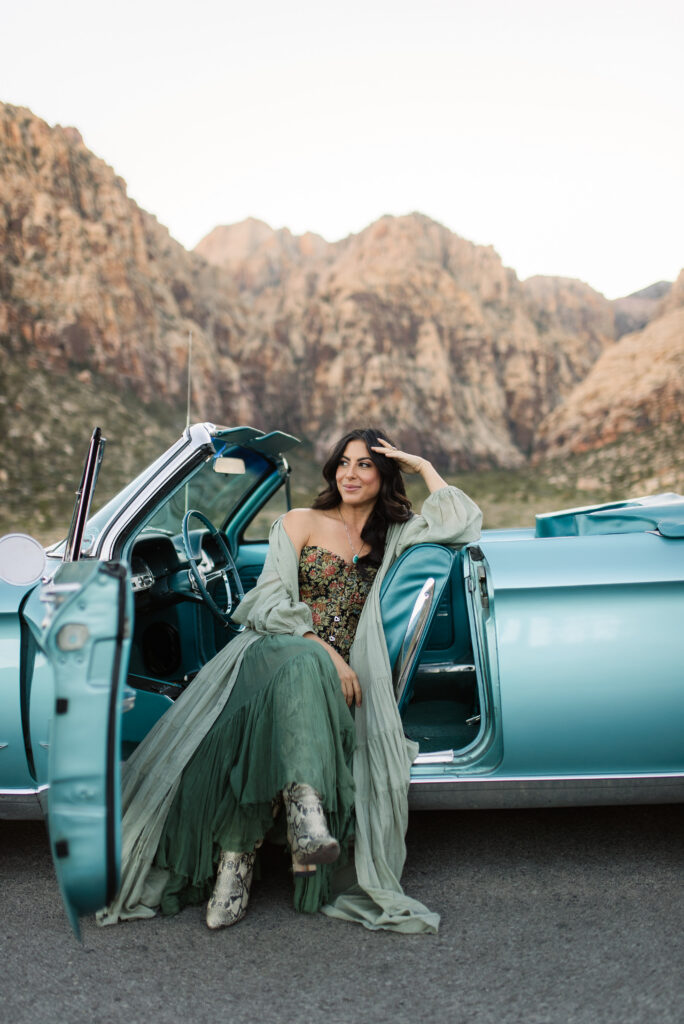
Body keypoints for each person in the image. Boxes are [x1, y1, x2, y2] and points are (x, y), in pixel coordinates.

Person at [98, 428, 482, 934]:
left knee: (284, 702)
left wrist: (423, 466)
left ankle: (236, 864)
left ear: (385, 473)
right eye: (343, 463)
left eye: (365, 464)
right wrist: (324, 650)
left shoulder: (397, 532)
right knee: (302, 662)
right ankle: (304, 812)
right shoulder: (299, 521)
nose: (349, 473)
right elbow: (267, 602)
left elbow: (464, 523)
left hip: (331, 673)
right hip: (273, 649)